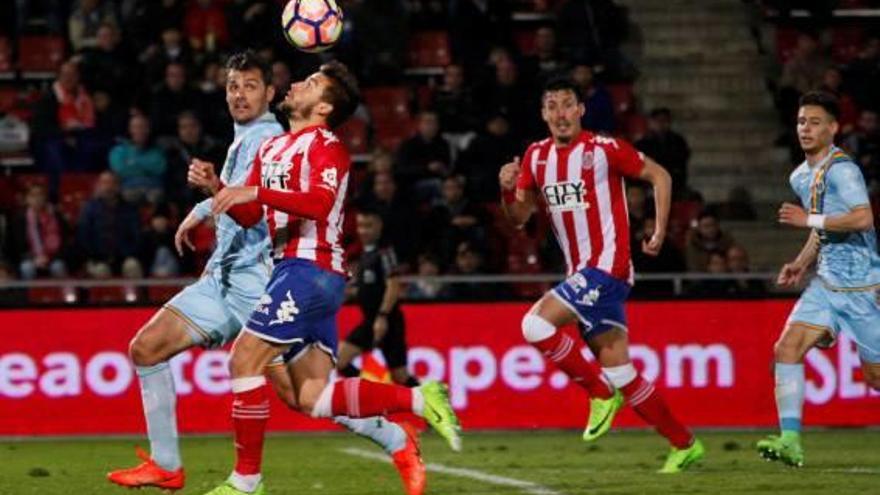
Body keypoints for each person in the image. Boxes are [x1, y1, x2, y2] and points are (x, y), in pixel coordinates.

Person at [106, 52, 427, 495]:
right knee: (146, 349)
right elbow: (240, 199)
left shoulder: (279, 136)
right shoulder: (250, 139)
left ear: (270, 93)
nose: (239, 94)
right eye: (233, 86)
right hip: (221, 278)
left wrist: (212, 202)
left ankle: (392, 435)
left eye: (251, 86)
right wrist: (210, 197)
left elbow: (270, 204)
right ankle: (167, 465)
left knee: (304, 396)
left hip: (262, 284)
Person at [196, 60, 460, 495]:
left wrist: (254, 191)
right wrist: (216, 185)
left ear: (322, 108)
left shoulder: (327, 146)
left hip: (312, 271)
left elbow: (318, 204)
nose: (297, 83)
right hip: (294, 273)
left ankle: (246, 482)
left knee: (244, 360)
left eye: (311, 82)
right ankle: (420, 398)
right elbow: (247, 214)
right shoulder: (273, 149)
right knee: (312, 398)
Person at [498, 77, 704, 473]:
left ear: (580, 111)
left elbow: (660, 175)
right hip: (583, 275)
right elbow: (520, 219)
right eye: (552, 105)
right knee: (621, 372)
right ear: (543, 114)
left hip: (607, 267)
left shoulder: (603, 149)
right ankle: (684, 443)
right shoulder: (535, 157)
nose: (560, 113)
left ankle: (597, 393)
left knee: (534, 326)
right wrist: (507, 190)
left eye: (567, 104)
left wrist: (660, 229)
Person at [758, 91, 880, 467]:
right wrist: (801, 261)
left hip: (863, 289)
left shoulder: (844, 170)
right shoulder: (800, 175)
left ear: (833, 128)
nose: (805, 129)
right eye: (800, 122)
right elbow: (823, 229)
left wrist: (808, 220)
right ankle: (790, 441)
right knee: (786, 349)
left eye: (814, 122)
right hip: (826, 285)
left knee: (876, 378)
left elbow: (863, 218)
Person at [337, 210, 420, 387]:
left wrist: (382, 317)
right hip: (370, 321)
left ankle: (434, 404)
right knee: (340, 361)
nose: (363, 231)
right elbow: (368, 287)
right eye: (360, 226)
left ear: (379, 226)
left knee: (401, 377)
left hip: (387, 321)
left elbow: (393, 284)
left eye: (368, 226)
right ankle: (374, 391)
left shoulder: (384, 252)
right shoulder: (365, 255)